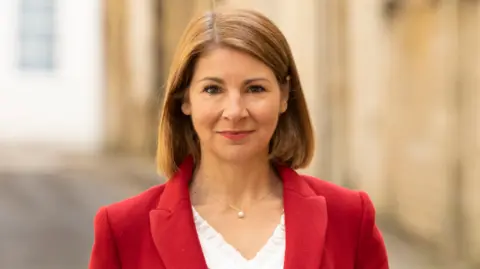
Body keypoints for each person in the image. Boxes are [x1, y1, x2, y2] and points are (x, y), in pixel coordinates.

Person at [89, 7, 389, 269]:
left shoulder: (349, 218)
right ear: (185, 99)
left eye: (255, 89)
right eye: (213, 89)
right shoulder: (123, 229)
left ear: (284, 95)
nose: (234, 111)